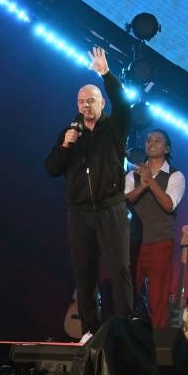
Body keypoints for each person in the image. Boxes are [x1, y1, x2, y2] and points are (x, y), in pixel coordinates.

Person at [45, 46, 134, 343]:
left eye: (91, 101)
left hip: (111, 208)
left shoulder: (114, 127)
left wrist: (106, 74)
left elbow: (124, 104)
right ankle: (89, 329)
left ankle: (123, 326)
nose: (86, 106)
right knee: (84, 272)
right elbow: (52, 168)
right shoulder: (70, 132)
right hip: (79, 212)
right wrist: (65, 146)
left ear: (101, 103)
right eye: (82, 101)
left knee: (120, 268)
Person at [124, 129, 186, 329]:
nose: (151, 143)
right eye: (149, 140)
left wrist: (150, 180)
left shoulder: (176, 176)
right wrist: (142, 185)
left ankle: (160, 346)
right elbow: (126, 200)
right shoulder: (132, 175)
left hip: (160, 242)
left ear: (167, 149)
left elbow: (169, 204)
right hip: (134, 242)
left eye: (157, 141)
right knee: (127, 294)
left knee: (158, 298)